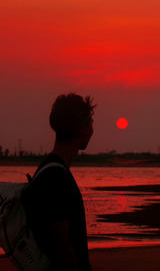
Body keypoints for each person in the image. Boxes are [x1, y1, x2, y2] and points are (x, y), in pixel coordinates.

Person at [23, 93, 95, 271]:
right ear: (83, 129)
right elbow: (61, 243)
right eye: (90, 123)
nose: (92, 129)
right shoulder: (56, 176)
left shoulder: (49, 170)